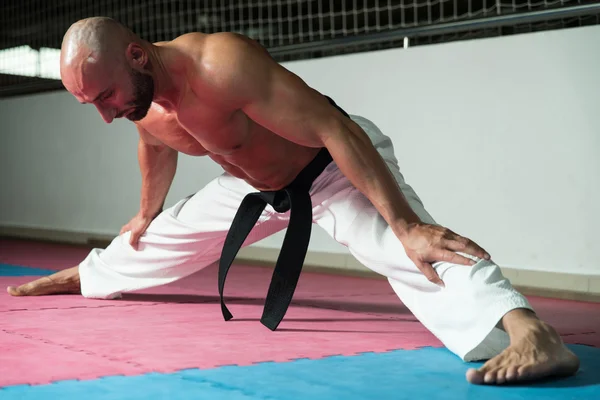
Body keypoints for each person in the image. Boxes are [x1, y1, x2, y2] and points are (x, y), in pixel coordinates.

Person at [7, 17, 579, 385]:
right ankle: (88, 274)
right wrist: (145, 209)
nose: (106, 114)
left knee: (408, 248)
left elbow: (335, 127)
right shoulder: (143, 101)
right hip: (254, 186)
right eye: (93, 105)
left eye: (105, 97)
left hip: (331, 166)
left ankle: (530, 331)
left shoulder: (219, 64)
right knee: (149, 237)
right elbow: (153, 148)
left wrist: (402, 221)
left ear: (136, 55)